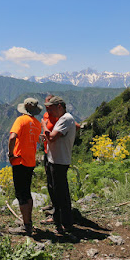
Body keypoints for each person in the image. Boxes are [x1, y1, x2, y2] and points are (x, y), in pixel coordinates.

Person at [42, 96, 76, 234]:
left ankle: (66, 223)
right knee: (55, 191)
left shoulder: (66, 119)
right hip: (54, 160)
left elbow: (51, 137)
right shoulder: (63, 119)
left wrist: (43, 125)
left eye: (51, 108)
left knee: (61, 193)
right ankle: (58, 220)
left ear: (60, 106)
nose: (49, 111)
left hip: (59, 162)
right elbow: (53, 138)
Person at [8, 98, 42, 236]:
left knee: (20, 194)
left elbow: (12, 137)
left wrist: (11, 154)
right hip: (30, 161)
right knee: (27, 192)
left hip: (19, 160)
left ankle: (26, 226)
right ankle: (28, 221)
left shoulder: (21, 120)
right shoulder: (37, 123)